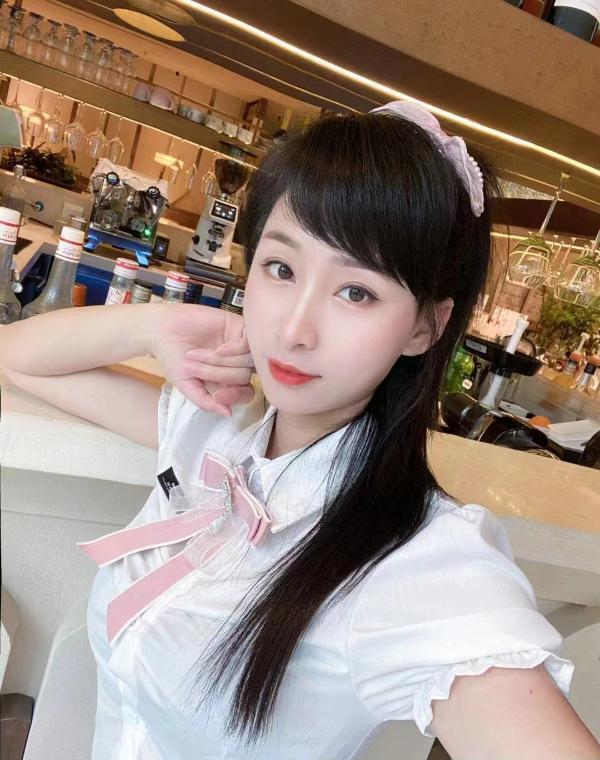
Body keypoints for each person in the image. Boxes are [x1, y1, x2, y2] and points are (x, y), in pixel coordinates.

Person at [1, 101, 599, 760]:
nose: (294, 329)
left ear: (426, 326)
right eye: (281, 269)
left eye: (357, 292)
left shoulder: (418, 561)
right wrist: (155, 325)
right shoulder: (215, 431)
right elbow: (16, 357)